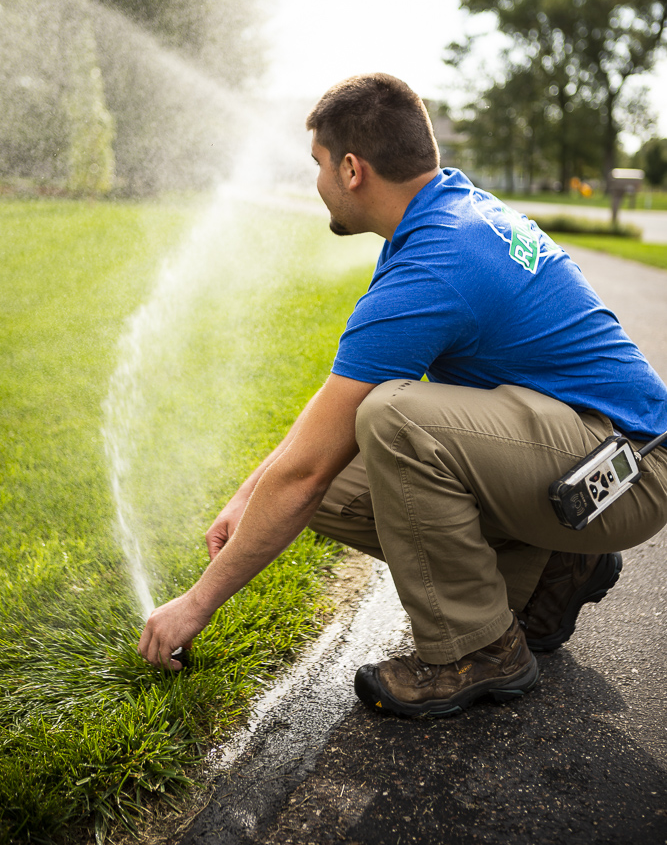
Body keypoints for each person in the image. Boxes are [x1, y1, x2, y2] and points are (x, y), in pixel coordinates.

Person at [138, 73, 667, 718]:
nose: (317, 181)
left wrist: (195, 605)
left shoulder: (437, 261)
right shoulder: (442, 215)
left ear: (352, 169)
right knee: (334, 472)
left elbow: (312, 463)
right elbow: (320, 440)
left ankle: (475, 651)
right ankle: (549, 575)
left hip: (627, 472)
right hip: (583, 459)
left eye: (319, 165)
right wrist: (249, 495)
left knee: (393, 419)